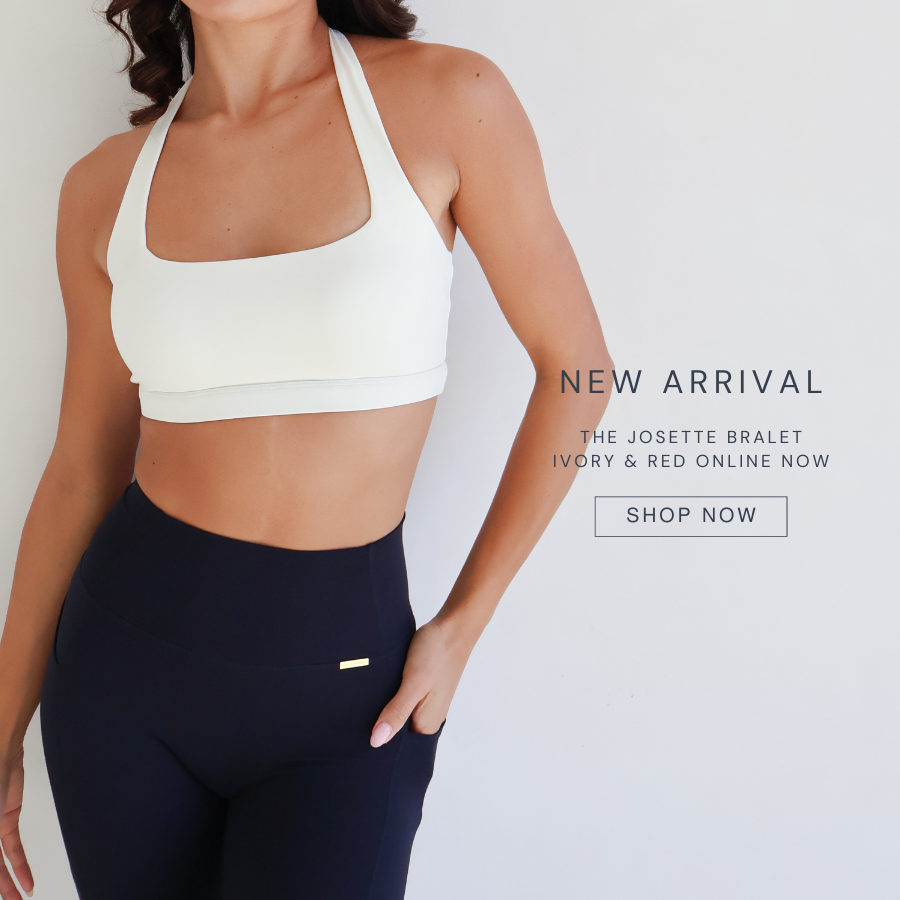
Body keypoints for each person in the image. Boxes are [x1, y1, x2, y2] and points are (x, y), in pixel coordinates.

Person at [0, 0, 613, 896]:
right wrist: (2, 733)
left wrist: (462, 626)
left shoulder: (452, 100)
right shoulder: (104, 185)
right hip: (121, 680)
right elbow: (80, 470)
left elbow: (580, 373)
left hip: (349, 696)